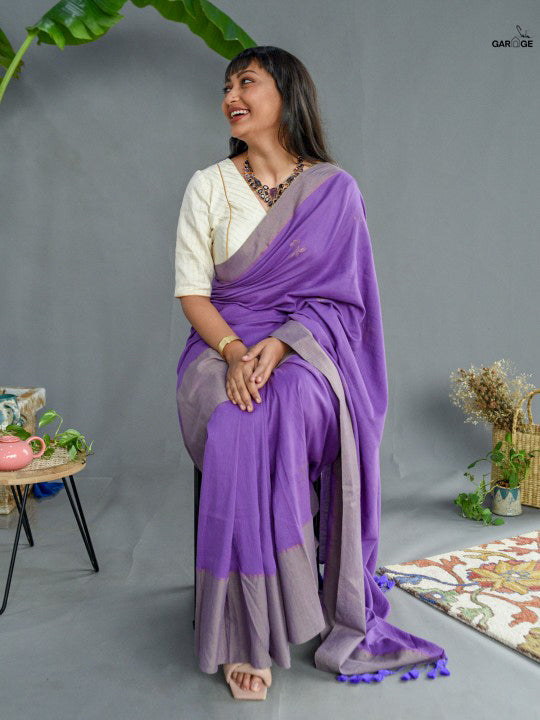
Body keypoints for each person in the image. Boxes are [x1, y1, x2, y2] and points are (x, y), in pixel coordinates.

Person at [174, 46, 449, 701]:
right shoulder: (207, 185)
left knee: (289, 403)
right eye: (226, 86)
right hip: (219, 347)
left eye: (246, 82)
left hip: (308, 348)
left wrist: (282, 346)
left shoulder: (335, 190)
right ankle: (248, 631)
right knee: (240, 420)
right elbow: (193, 294)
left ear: (286, 93)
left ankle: (276, 603)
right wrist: (236, 352)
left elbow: (345, 302)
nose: (230, 96)